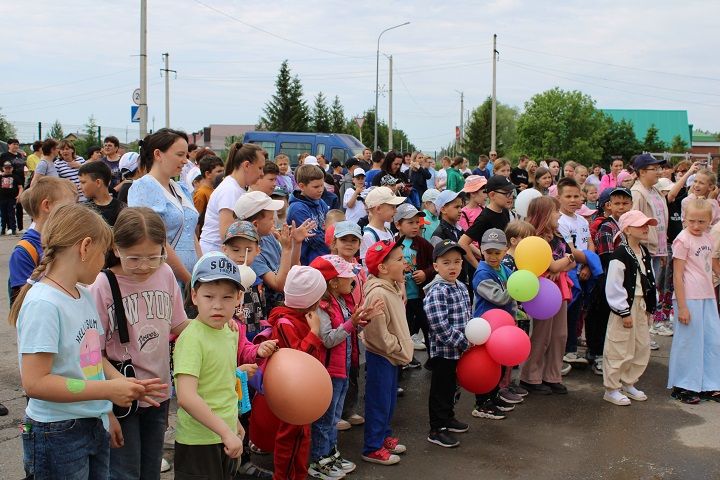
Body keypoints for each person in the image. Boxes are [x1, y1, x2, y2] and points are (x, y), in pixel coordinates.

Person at [11, 203, 164, 479]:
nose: (105, 262)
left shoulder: (82, 296)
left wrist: (109, 407)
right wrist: (107, 393)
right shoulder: (44, 304)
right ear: (85, 247)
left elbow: (92, 360)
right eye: (103, 253)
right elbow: (35, 383)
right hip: (57, 433)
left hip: (91, 422)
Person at [89, 208, 188, 479]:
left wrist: (214, 323)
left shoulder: (165, 273)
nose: (144, 266)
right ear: (116, 248)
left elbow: (178, 325)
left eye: (153, 257)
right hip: (121, 397)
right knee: (124, 472)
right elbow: (92, 353)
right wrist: (109, 403)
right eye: (134, 258)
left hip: (158, 394)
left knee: (151, 469)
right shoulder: (102, 285)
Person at [173, 252, 275, 480]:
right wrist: (224, 431)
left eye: (227, 298)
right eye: (209, 296)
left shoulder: (230, 331)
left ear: (239, 297)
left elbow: (221, 383)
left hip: (225, 433)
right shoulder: (192, 339)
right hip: (198, 441)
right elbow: (186, 397)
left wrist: (233, 422)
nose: (217, 306)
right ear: (195, 296)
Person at [308, 255, 379, 479]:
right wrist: (351, 323)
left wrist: (358, 323)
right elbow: (328, 339)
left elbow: (345, 332)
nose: (354, 280)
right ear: (333, 282)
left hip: (341, 368)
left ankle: (331, 453)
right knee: (325, 419)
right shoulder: (322, 306)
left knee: (335, 417)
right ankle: (318, 459)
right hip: (329, 371)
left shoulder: (339, 300)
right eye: (348, 276)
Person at [266, 266, 327, 479]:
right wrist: (314, 333)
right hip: (293, 394)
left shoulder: (299, 317)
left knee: (301, 438)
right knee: (291, 439)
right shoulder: (286, 322)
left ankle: (297, 474)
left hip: (303, 393)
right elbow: (298, 361)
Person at [361, 240, 412, 465]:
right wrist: (398, 348)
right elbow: (377, 335)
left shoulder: (391, 287)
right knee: (379, 401)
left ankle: (383, 437)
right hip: (382, 356)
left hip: (392, 356)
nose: (406, 263)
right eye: (400, 260)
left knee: (389, 400)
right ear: (382, 268)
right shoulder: (377, 294)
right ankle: (372, 447)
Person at [520, 196, 576, 395]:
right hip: (543, 291)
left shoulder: (558, 235)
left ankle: (552, 375)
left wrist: (564, 262)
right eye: (555, 211)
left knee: (560, 334)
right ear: (544, 214)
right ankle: (530, 375)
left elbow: (572, 260)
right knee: (542, 334)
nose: (559, 214)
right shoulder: (535, 238)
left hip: (560, 288)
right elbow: (552, 265)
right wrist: (564, 262)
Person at [128, 129, 200, 285]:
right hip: (163, 280)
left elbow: (190, 231)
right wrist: (188, 279)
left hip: (191, 281)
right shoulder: (144, 187)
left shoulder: (182, 188)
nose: (185, 161)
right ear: (158, 154)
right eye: (180, 155)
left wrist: (201, 271)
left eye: (186, 155)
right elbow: (154, 237)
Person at [602, 210, 657, 406]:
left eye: (646, 225)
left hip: (641, 305)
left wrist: (651, 305)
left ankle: (629, 381)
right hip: (626, 306)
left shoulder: (643, 252)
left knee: (640, 345)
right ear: (627, 229)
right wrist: (623, 311)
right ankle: (612, 388)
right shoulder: (620, 254)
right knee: (619, 345)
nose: (645, 228)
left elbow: (650, 280)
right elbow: (614, 284)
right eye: (640, 225)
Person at [668, 199, 720, 404]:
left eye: (701, 221)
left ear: (710, 221)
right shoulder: (682, 239)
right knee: (689, 342)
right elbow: (677, 275)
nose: (696, 226)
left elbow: (710, 263)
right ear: (685, 219)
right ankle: (683, 385)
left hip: (707, 294)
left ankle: (708, 384)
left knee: (711, 340)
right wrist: (682, 307)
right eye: (692, 221)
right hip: (689, 296)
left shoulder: (708, 238)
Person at [423, 240, 471, 448]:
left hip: (459, 350)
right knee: (441, 390)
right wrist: (462, 341)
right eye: (447, 262)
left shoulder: (460, 286)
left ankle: (448, 417)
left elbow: (467, 315)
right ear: (436, 266)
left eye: (457, 262)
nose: (453, 267)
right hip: (444, 351)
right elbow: (438, 325)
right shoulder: (437, 290)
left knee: (452, 387)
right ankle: (437, 428)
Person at [233, 191, 312, 313]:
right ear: (255, 224)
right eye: (270, 219)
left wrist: (296, 243)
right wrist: (286, 249)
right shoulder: (250, 252)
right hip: (270, 311)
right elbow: (279, 285)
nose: (274, 222)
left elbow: (294, 269)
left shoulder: (268, 237)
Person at [470, 229, 517, 418]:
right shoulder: (481, 273)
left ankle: (493, 395)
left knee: (499, 363)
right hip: (486, 325)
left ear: (505, 250)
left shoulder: (505, 270)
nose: (493, 256)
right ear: (481, 250)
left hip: (502, 325)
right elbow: (499, 297)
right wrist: (517, 289)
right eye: (489, 252)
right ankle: (482, 403)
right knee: (486, 365)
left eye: (497, 252)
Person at [586, 187, 633, 375]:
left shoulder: (631, 225)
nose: (621, 207)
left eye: (625, 203)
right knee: (601, 317)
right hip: (607, 279)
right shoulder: (608, 226)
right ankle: (596, 354)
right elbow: (608, 257)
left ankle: (610, 354)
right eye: (617, 203)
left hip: (624, 279)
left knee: (613, 319)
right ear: (609, 205)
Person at [8, 177, 77, 304]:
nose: (74, 213)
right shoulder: (25, 250)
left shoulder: (64, 242)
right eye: (69, 207)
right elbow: (27, 301)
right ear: (46, 206)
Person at [327, 222, 367, 430]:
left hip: (355, 323)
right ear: (334, 243)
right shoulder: (331, 266)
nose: (349, 244)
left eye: (354, 240)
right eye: (344, 239)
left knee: (353, 367)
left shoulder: (359, 267)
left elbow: (363, 289)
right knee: (338, 368)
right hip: (339, 322)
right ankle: (334, 413)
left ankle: (348, 408)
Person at [556, 177, 595, 366]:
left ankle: (574, 345)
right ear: (559, 197)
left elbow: (590, 244)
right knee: (568, 312)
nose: (573, 200)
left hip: (584, 267)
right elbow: (570, 250)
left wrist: (589, 265)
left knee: (581, 310)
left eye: (576, 196)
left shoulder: (582, 220)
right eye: (568, 196)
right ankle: (566, 350)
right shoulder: (560, 221)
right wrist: (587, 261)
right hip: (569, 270)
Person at [200, 142, 266, 253]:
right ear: (246, 165)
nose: (262, 173)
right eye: (260, 168)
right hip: (215, 256)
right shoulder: (230, 190)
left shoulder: (235, 188)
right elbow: (227, 233)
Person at [630, 154, 669, 330]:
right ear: (642, 172)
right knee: (643, 292)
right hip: (643, 249)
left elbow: (661, 222)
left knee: (652, 292)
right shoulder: (637, 193)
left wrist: (662, 251)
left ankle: (647, 330)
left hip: (656, 250)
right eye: (654, 169)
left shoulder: (655, 191)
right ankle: (641, 330)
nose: (658, 172)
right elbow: (632, 224)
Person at [394, 204, 435, 361]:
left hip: (420, 296)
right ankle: (404, 360)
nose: (415, 226)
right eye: (410, 223)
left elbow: (436, 263)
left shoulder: (423, 244)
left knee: (427, 327)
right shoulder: (393, 244)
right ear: (398, 224)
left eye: (417, 222)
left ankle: (433, 359)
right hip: (401, 298)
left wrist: (426, 273)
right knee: (403, 331)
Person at [460, 175, 515, 269]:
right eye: (507, 193)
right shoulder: (484, 218)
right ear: (492, 195)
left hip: (503, 267)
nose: (511, 197)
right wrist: (479, 267)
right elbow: (462, 243)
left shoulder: (504, 211)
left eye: (511, 193)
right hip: (490, 269)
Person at [286, 164, 331, 265]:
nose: (320, 190)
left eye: (322, 185)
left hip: (322, 256)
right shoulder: (297, 209)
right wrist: (334, 248)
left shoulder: (320, 201)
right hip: (304, 261)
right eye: (315, 186)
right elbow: (314, 238)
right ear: (302, 186)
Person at [359, 186, 405, 261]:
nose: (396, 211)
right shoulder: (368, 235)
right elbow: (367, 265)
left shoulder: (388, 231)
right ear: (378, 209)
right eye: (393, 207)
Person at [79, 161, 126, 226]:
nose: (79, 187)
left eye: (83, 182)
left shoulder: (121, 209)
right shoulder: (83, 210)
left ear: (98, 182)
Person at [193, 155, 224, 236]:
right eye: (219, 171)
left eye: (223, 171)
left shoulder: (216, 190)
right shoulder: (201, 193)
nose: (222, 174)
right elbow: (195, 222)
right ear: (208, 174)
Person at [0, 138, 27, 229]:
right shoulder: (4, 155)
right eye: (14, 144)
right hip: (9, 182)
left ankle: (20, 226)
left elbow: (24, 166)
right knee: (8, 205)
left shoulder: (20, 155)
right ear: (9, 145)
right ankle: (9, 227)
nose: (16, 146)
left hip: (20, 180)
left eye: (17, 144)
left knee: (19, 203)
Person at [0, 161, 21, 235]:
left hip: (12, 199)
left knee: (11, 214)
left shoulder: (15, 177)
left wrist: (19, 195)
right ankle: (2, 230)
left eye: (9, 168)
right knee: (3, 215)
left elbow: (20, 187)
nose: (7, 169)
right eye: (6, 168)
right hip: (2, 199)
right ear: (3, 168)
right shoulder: (1, 177)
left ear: (12, 168)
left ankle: (13, 229)